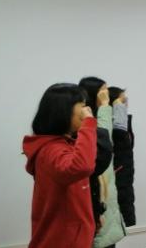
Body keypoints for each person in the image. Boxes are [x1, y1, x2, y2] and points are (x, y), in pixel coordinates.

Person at [23, 83, 97, 248]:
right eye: (82, 105)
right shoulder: (51, 150)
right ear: (64, 111)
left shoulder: (64, 145)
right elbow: (81, 167)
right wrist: (89, 124)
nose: (87, 110)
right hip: (62, 241)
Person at [80, 77, 127, 248]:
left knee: (107, 236)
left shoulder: (104, 115)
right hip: (99, 188)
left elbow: (122, 136)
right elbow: (104, 139)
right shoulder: (87, 122)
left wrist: (118, 106)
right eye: (103, 90)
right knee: (101, 238)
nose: (106, 93)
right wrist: (106, 105)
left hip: (110, 185)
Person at [108, 86, 136, 227]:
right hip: (118, 174)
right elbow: (119, 135)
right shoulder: (112, 125)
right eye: (121, 100)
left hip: (126, 173)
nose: (125, 103)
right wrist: (119, 107)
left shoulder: (123, 122)